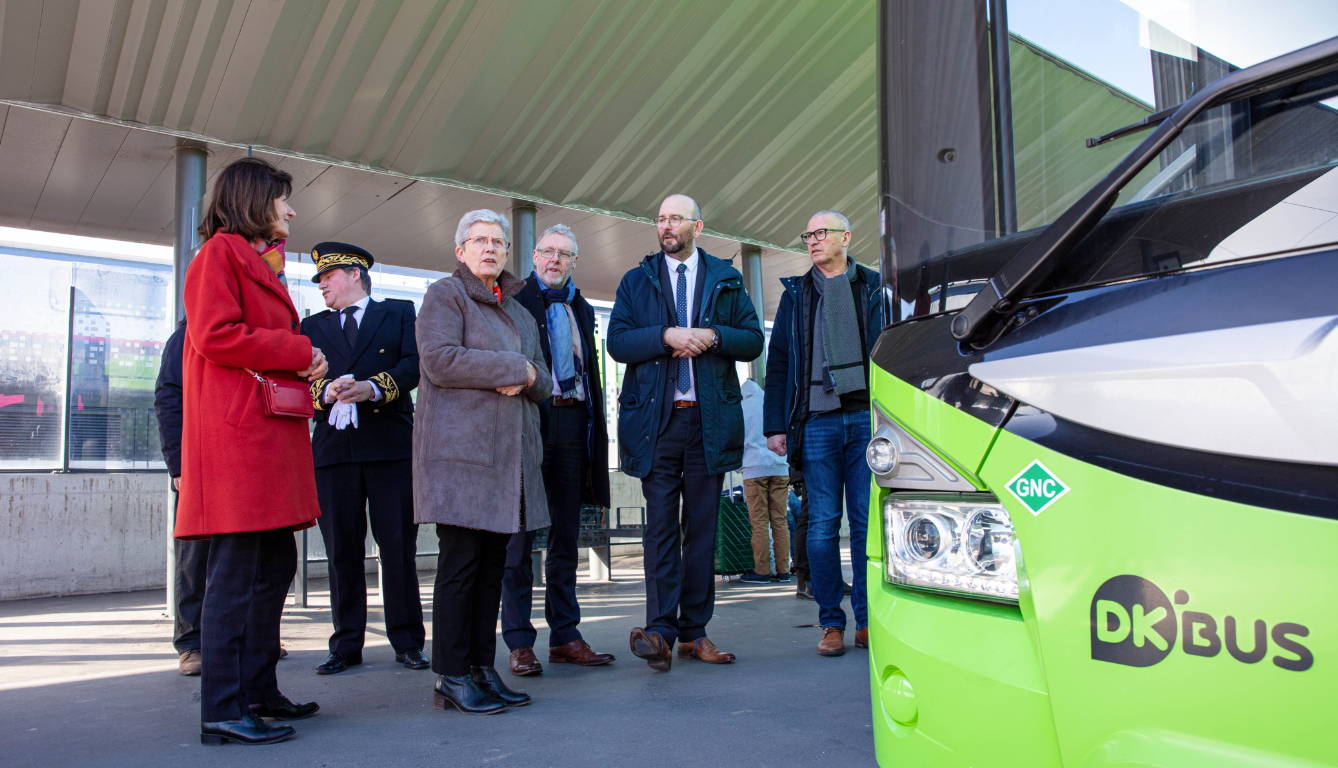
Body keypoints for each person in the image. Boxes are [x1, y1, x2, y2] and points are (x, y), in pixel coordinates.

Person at [178, 157, 326, 745]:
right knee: (236, 574)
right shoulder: (218, 255)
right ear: (253, 201)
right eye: (283, 200)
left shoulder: (256, 260)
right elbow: (214, 335)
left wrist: (300, 354)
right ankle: (221, 707)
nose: (291, 211)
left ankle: (259, 690)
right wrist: (296, 348)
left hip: (266, 437)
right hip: (241, 440)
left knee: (274, 567)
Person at [607, 194, 763, 671]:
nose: (665, 225)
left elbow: (753, 339)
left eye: (674, 218)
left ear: (698, 225)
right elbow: (616, 342)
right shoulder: (637, 280)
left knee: (701, 530)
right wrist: (665, 336)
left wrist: (713, 336)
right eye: (660, 219)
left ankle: (695, 633)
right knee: (660, 530)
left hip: (709, 421)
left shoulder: (726, 278)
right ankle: (660, 631)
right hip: (657, 422)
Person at [414, 209, 552, 714]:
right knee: (461, 565)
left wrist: (529, 377)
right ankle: (450, 675)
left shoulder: (518, 311)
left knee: (493, 568)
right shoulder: (444, 295)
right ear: (460, 251)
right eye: (479, 241)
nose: (490, 249)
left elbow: (545, 380)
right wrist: (514, 367)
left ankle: (478, 667)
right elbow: (439, 359)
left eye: (498, 242)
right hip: (461, 460)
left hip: (508, 460)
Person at [301, 242, 427, 675]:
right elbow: (301, 384)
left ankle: (408, 640)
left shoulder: (397, 313)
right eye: (318, 279)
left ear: (355, 274)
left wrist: (373, 387)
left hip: (390, 448)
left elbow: (415, 365)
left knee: (397, 549)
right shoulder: (310, 326)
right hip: (335, 453)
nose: (321, 285)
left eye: (328, 277)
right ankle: (346, 643)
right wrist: (327, 392)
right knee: (342, 552)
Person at [763, 210, 883, 658]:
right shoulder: (796, 295)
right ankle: (832, 621)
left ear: (845, 238)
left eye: (821, 234)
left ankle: (869, 620)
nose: (812, 241)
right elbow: (778, 363)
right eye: (807, 235)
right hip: (816, 421)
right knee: (822, 525)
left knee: (868, 525)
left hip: (867, 419)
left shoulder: (873, 288)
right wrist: (775, 426)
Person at [501, 224, 616, 676]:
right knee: (520, 539)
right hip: (530, 424)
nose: (554, 260)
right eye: (547, 252)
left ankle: (565, 635)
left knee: (566, 537)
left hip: (573, 424)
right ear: (533, 258)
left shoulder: (581, 307)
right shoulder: (513, 301)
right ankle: (519, 641)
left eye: (563, 254)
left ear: (573, 262)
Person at [155, 318, 207, 675]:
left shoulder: (253, 329)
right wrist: (178, 465)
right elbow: (169, 397)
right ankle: (191, 644)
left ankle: (252, 637)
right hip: (198, 463)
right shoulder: (188, 335)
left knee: (250, 557)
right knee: (195, 556)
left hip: (241, 463)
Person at [739, 378, 790, 584]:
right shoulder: (770, 401)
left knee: (759, 522)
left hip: (754, 468)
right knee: (780, 520)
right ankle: (784, 570)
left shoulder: (741, 405)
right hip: (779, 465)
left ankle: (761, 572)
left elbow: (736, 437)